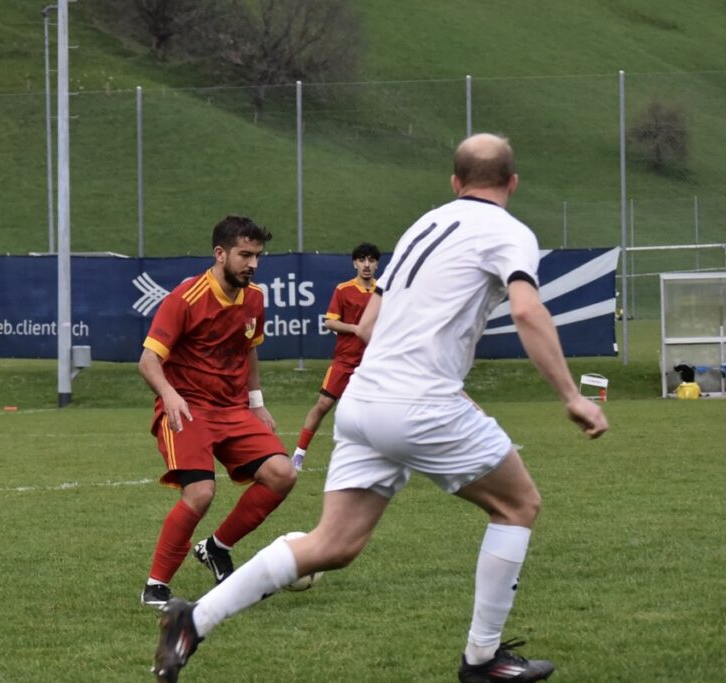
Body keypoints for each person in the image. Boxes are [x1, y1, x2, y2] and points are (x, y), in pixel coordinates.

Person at [152, 134, 609, 683]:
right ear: (512, 182)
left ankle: (194, 620)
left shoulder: (423, 226)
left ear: (455, 182)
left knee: (333, 544)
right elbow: (528, 311)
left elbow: (369, 325)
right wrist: (571, 396)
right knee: (518, 506)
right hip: (421, 402)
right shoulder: (511, 232)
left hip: (364, 400)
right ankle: (482, 659)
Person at [137, 215, 296, 608]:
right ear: (220, 253)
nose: (253, 264)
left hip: (232, 409)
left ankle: (216, 548)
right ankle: (155, 587)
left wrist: (256, 403)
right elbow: (148, 361)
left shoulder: (254, 297)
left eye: (257, 256)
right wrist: (169, 394)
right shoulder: (185, 298)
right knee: (201, 493)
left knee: (282, 474)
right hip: (188, 408)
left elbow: (249, 348)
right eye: (245, 255)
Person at [292, 242, 381, 471]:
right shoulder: (343, 289)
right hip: (344, 360)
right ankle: (299, 454)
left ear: (377, 264)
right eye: (362, 260)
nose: (366, 265)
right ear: (355, 263)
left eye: (371, 260)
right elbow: (330, 322)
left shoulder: (384, 291)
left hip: (372, 363)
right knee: (323, 404)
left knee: (374, 411)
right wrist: (355, 329)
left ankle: (373, 459)